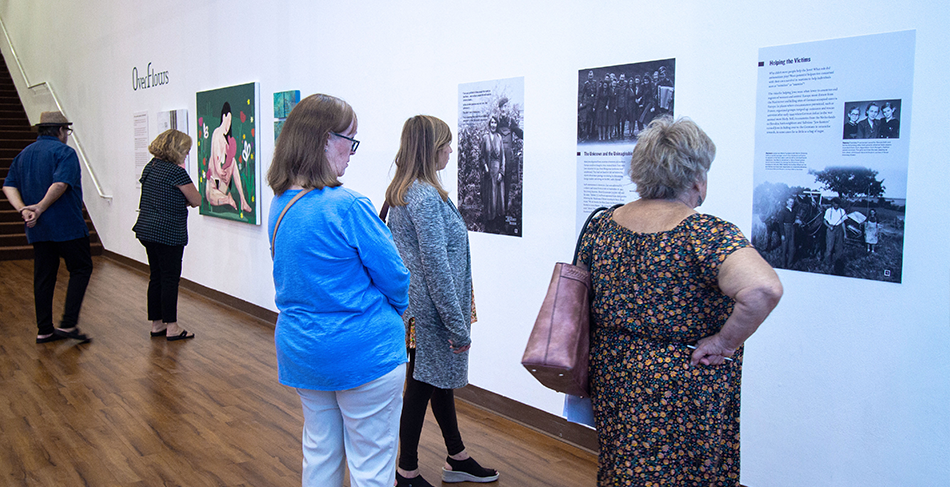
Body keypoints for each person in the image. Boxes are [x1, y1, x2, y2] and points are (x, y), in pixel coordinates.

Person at [578, 117, 782, 486]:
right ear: (696, 178)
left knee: (622, 467)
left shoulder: (602, 225)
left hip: (614, 371)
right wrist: (724, 343)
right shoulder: (705, 234)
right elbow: (763, 290)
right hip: (682, 382)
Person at [266, 94, 410, 487]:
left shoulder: (280, 205)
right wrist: (395, 311)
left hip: (304, 353)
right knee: (372, 469)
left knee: (320, 455)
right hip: (365, 354)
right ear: (324, 140)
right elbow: (396, 277)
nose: (353, 151)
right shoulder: (348, 206)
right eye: (351, 139)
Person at [385, 115, 499, 487]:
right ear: (430, 148)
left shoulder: (410, 191)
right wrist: (457, 323)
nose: (451, 150)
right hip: (431, 310)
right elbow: (435, 265)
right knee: (421, 386)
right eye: (446, 144)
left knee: (438, 381)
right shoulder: (422, 196)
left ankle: (457, 456)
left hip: (426, 307)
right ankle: (407, 471)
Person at [3, 111, 94, 344]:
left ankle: (44, 329)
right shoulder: (65, 152)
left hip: (38, 229)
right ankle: (68, 323)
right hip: (67, 226)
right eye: (67, 131)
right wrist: (40, 207)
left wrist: (24, 209)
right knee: (81, 268)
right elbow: (61, 184)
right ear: (60, 130)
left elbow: (8, 186)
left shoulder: (24, 155)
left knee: (43, 277)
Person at [132, 129, 201, 341]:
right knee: (170, 279)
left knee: (157, 277)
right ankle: (172, 327)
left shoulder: (150, 167)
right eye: (186, 150)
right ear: (176, 149)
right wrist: (185, 200)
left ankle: (157, 324)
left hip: (146, 230)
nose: (187, 154)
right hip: (168, 233)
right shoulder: (176, 172)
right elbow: (197, 200)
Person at [205, 102, 253, 213]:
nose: (228, 125)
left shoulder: (226, 141)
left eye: (230, 122)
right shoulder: (217, 134)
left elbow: (227, 161)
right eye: (228, 121)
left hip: (222, 185)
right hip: (214, 183)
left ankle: (242, 200)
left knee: (233, 162)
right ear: (223, 117)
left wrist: (224, 170)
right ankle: (228, 199)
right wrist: (218, 169)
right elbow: (215, 157)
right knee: (211, 197)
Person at [480, 115, 505, 231]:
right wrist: (485, 167)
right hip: (488, 172)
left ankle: (498, 223)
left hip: (497, 171)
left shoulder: (499, 138)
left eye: (495, 123)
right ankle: (489, 224)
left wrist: (501, 172)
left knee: (498, 197)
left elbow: (503, 157)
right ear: (489, 124)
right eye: (492, 123)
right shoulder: (485, 138)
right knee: (489, 197)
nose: (493, 125)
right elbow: (481, 156)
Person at [823, 197, 847, 267]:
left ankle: (837, 263)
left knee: (839, 247)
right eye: (835, 203)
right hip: (831, 229)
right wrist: (829, 226)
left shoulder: (842, 211)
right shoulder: (828, 210)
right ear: (832, 203)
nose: (836, 205)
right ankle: (827, 263)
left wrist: (845, 234)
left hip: (839, 229)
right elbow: (824, 221)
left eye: (837, 203)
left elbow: (843, 223)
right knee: (829, 246)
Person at [777, 196, 800, 268]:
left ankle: (790, 265)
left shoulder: (794, 211)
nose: (791, 204)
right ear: (787, 202)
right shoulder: (782, 211)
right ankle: (783, 265)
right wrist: (782, 234)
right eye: (790, 202)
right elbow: (780, 223)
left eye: (792, 202)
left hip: (792, 229)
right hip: (785, 229)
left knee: (792, 248)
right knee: (784, 248)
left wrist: (797, 222)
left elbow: (793, 221)